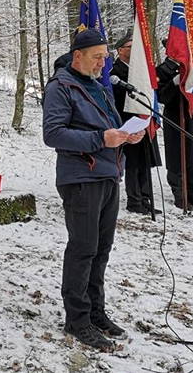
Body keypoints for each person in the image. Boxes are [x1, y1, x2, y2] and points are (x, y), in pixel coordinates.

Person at [42, 28, 144, 352]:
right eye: (98, 57)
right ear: (78, 56)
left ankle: (95, 311)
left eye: (105, 57)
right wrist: (101, 139)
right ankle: (77, 319)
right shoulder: (61, 87)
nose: (104, 63)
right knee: (83, 248)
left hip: (108, 175)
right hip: (81, 178)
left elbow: (109, 127)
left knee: (101, 249)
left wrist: (126, 135)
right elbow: (54, 134)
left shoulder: (99, 88)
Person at [155, 52, 193, 210]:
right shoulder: (162, 70)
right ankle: (179, 193)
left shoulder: (191, 68)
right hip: (175, 117)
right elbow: (162, 97)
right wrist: (174, 83)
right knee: (177, 156)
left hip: (191, 115)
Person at [110, 32, 161, 215]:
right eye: (130, 47)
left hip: (144, 120)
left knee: (145, 162)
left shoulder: (140, 70)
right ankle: (135, 200)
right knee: (133, 163)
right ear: (120, 50)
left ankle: (146, 198)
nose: (134, 50)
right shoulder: (116, 72)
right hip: (128, 121)